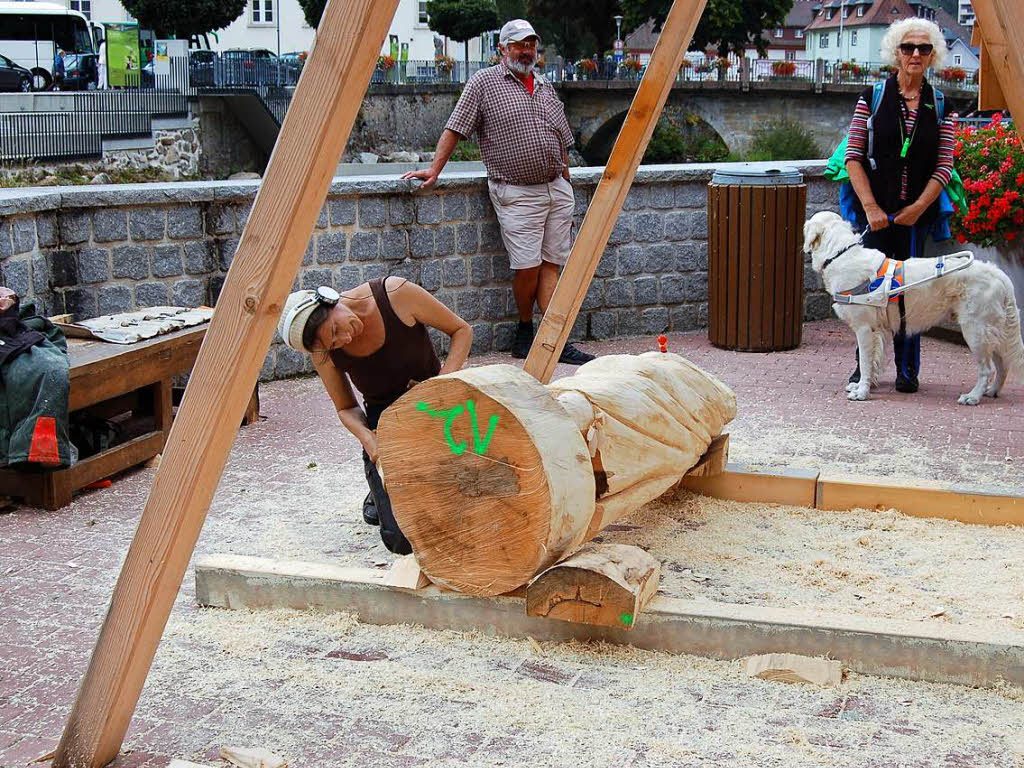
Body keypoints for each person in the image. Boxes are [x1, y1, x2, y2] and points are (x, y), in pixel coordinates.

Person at [402, 19, 595, 365]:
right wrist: (434, 169)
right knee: (528, 268)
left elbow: (562, 139)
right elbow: (455, 127)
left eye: (532, 45)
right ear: (502, 49)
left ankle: (554, 340)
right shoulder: (484, 83)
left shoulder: (545, 86)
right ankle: (524, 330)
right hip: (517, 193)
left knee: (552, 266)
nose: (527, 51)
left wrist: (566, 181)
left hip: (555, 188)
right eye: (520, 45)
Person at [277, 277, 472, 554]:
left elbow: (461, 330)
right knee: (402, 540)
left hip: (436, 407)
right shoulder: (324, 353)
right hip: (386, 425)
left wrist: (441, 387)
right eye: (333, 343)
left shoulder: (396, 294)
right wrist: (369, 439)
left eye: (336, 328)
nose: (343, 339)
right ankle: (378, 486)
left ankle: (381, 492)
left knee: (465, 506)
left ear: (331, 300)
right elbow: (346, 408)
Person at [843, 17, 955, 393]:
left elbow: (944, 163)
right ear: (896, 52)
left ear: (932, 54)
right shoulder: (871, 97)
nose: (916, 55)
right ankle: (865, 369)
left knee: (910, 293)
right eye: (908, 47)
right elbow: (853, 157)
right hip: (874, 215)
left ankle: (908, 371)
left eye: (924, 48)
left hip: (914, 217)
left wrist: (920, 207)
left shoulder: (940, 103)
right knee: (870, 295)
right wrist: (872, 208)